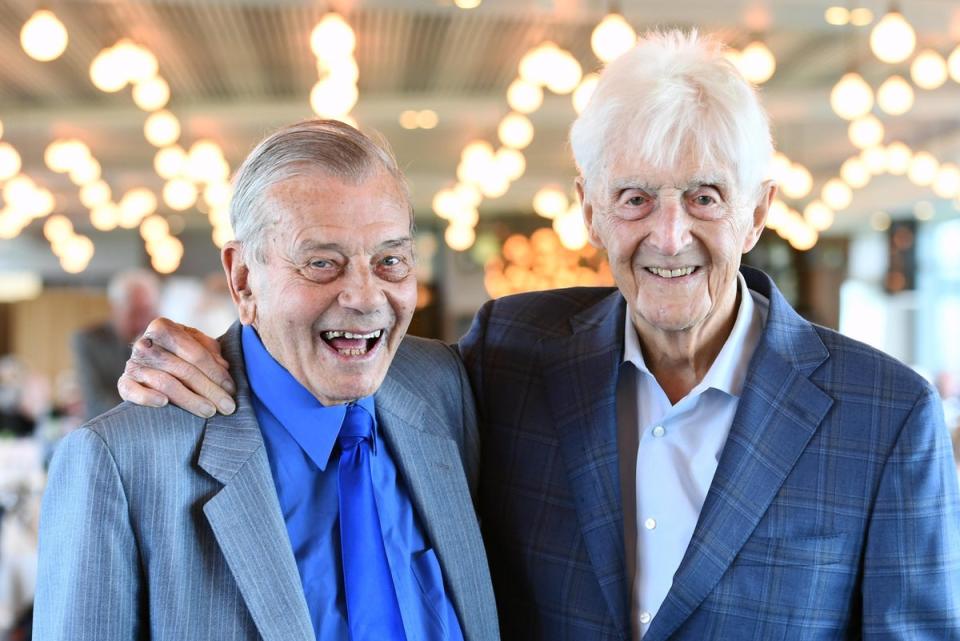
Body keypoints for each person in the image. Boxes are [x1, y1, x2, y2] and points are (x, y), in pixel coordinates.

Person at [117, 31, 960, 640]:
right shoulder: (509, 352)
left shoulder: (886, 417)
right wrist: (201, 353)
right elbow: (337, 341)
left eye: (705, 196)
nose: (669, 235)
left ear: (758, 213)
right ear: (592, 208)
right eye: (635, 199)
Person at [34, 120, 498, 641]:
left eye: (391, 261)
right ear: (243, 279)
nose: (366, 297)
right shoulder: (122, 462)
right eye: (322, 263)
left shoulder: (445, 387)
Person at [71, 269, 160, 420]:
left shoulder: (161, 343)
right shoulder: (88, 340)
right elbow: (96, 399)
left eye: (147, 312)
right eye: (134, 313)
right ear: (116, 308)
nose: (141, 322)